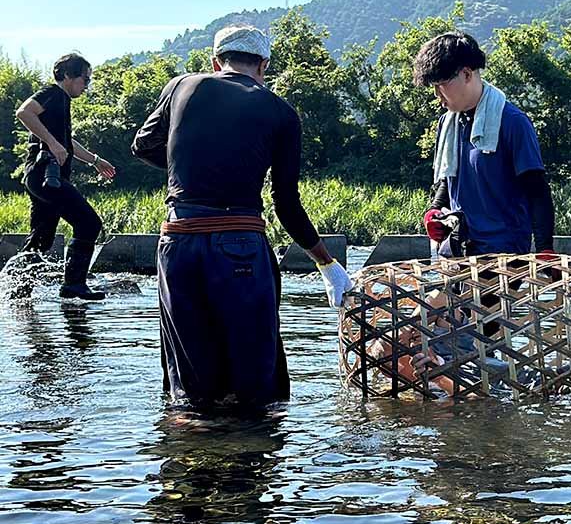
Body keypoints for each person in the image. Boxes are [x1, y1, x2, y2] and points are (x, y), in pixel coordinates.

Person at [131, 25, 352, 411]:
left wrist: (188, 168)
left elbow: (143, 145)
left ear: (216, 62)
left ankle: (192, 455)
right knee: (257, 390)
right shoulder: (280, 112)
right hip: (240, 244)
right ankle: (253, 458)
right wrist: (326, 263)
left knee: (190, 389)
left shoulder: (182, 85)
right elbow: (287, 204)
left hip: (178, 241)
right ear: (263, 66)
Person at [413, 31, 555, 259]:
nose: (437, 95)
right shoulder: (448, 122)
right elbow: (449, 180)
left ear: (467, 74)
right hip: (458, 247)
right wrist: (434, 211)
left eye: (441, 85)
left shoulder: (513, 122)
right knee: (434, 297)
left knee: (450, 298)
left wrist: (545, 250)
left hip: (504, 255)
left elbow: (538, 192)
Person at [15, 52, 117, 299]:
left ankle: (18, 292)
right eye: (85, 79)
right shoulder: (53, 93)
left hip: (41, 177)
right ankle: (73, 284)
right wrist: (51, 143)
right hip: (46, 176)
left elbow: (66, 142)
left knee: (42, 239)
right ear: (68, 76)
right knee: (89, 223)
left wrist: (95, 160)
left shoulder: (61, 102)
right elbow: (24, 112)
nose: (87, 85)